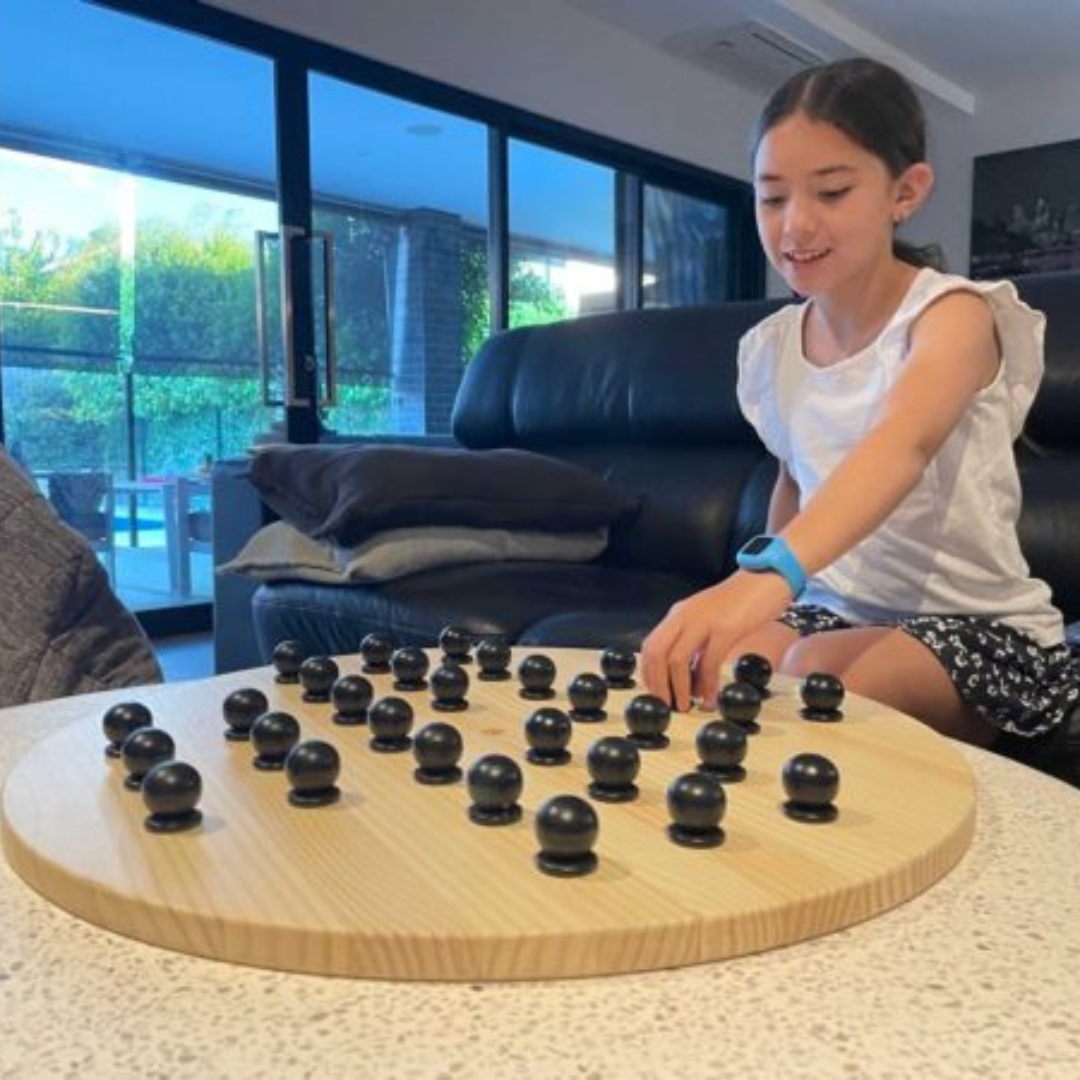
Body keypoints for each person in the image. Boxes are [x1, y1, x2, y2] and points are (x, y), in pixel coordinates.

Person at [640, 57, 1079, 747]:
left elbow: (898, 445)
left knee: (815, 679)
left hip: (973, 626)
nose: (795, 226)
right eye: (773, 197)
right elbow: (792, 484)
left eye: (833, 192)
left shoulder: (953, 315)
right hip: (834, 610)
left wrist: (767, 580)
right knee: (718, 667)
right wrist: (756, 596)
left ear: (905, 192)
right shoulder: (770, 348)